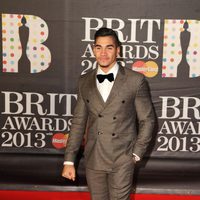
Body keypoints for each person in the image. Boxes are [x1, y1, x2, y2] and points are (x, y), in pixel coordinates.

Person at [62, 27, 155, 200]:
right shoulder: (84, 81)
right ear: (93, 49)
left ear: (118, 50)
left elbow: (147, 120)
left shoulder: (135, 80)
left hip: (122, 158)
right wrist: (69, 160)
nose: (103, 53)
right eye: (98, 47)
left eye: (109, 47)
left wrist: (135, 155)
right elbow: (78, 122)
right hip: (94, 158)